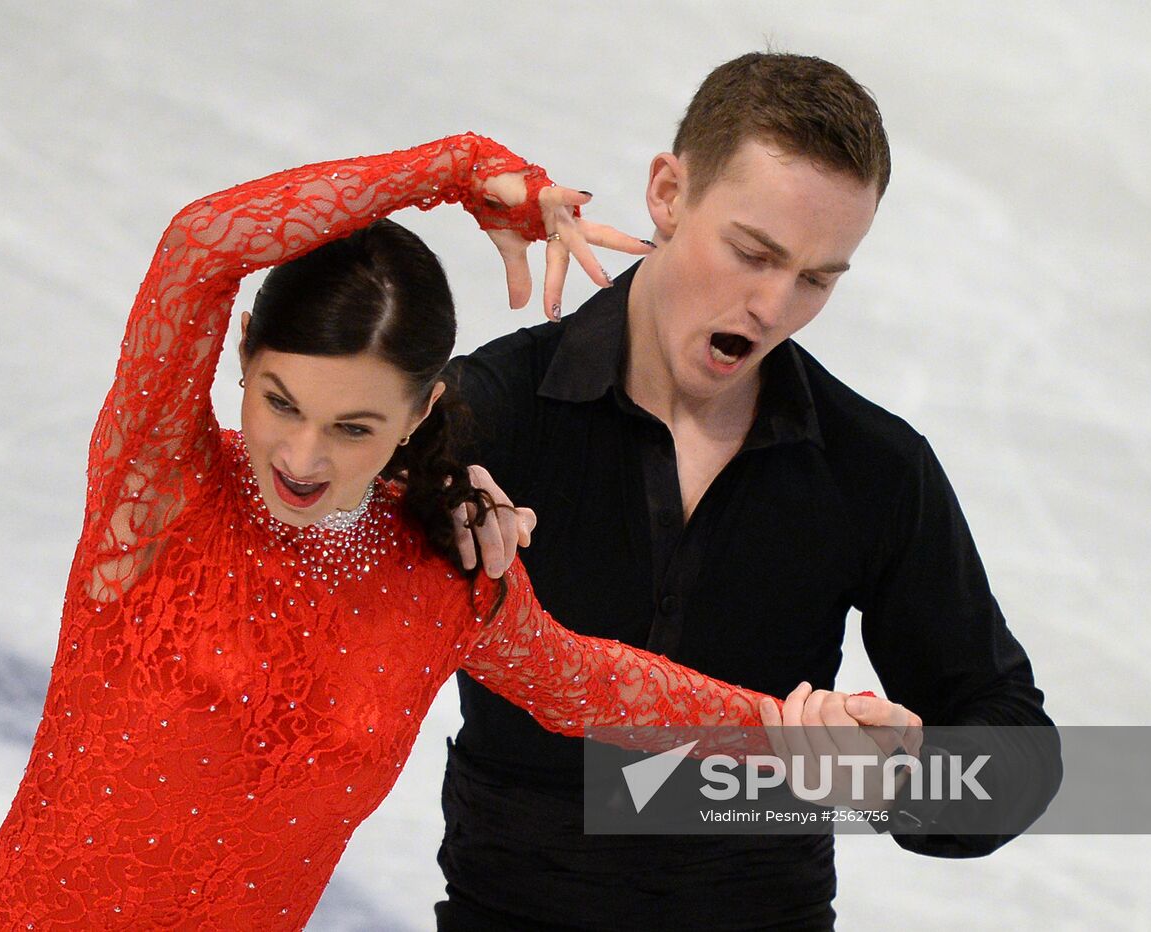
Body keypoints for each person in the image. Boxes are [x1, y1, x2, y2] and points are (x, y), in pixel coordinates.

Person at [0, 132, 885, 931]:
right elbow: (199, 245)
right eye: (279, 401)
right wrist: (453, 169)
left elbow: (590, 683)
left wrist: (786, 728)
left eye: (353, 427)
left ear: (417, 415)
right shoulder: (158, 491)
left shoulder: (441, 575)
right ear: (240, 362)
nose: (300, 452)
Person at [436, 52, 1061, 930]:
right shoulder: (496, 412)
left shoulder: (871, 467)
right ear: (667, 193)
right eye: (751, 252)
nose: (771, 306)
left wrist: (899, 772)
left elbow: (1019, 747)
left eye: (815, 279)